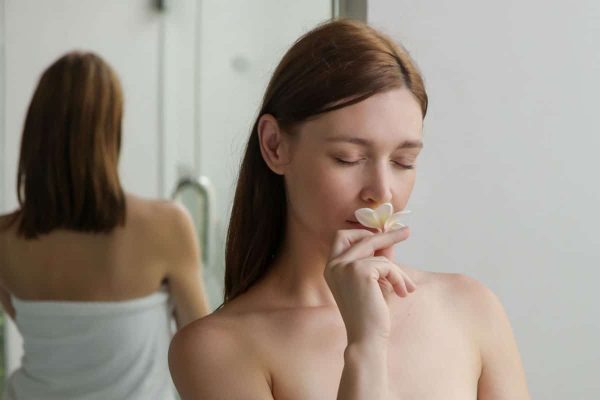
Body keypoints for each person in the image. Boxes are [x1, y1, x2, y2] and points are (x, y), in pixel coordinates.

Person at [169, 19, 530, 399]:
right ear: (275, 145)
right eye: (348, 158)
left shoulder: (470, 308)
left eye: (404, 161)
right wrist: (367, 344)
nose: (382, 192)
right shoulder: (218, 349)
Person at [0, 51, 209, 399]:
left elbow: (56, 339)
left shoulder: (5, 238)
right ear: (110, 132)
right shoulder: (166, 225)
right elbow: (205, 348)